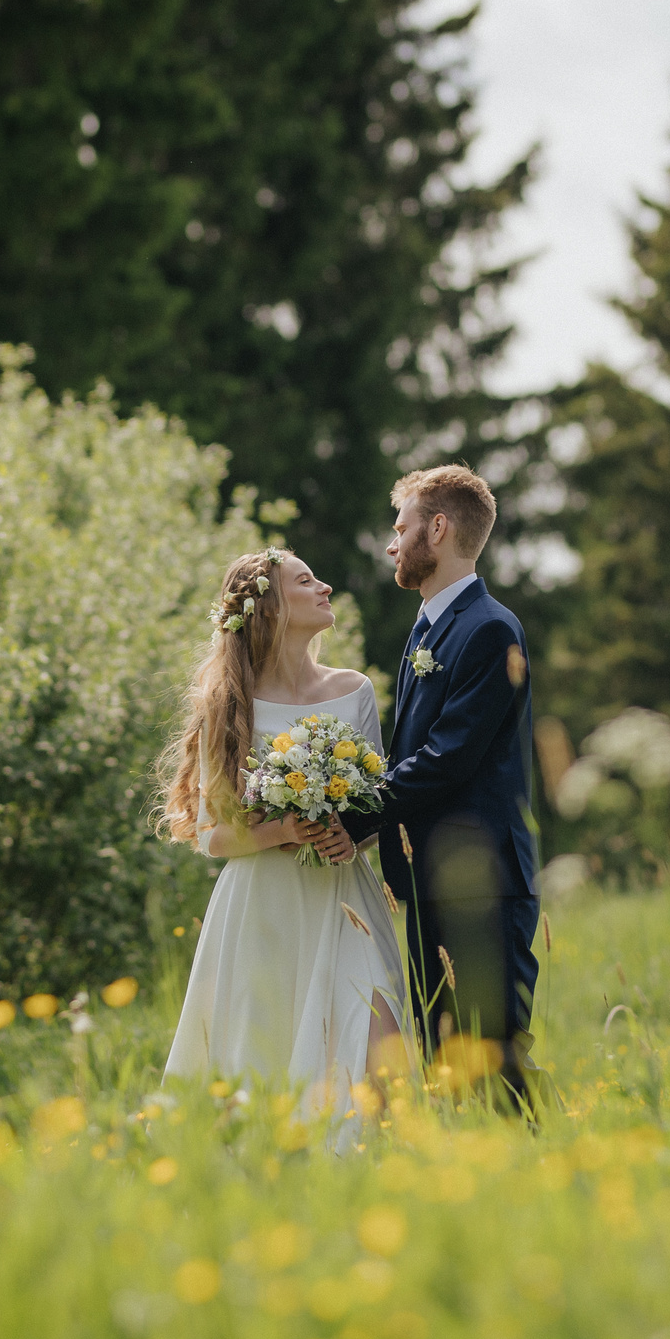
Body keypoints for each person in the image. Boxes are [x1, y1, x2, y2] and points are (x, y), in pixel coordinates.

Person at [155, 547, 409, 1126]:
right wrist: (282, 829)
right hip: (263, 907)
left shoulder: (355, 690)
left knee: (380, 1053)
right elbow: (212, 837)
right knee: (266, 1059)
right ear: (271, 607)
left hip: (345, 901)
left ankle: (381, 1174)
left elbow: (372, 802)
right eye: (306, 580)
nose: (324, 587)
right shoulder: (228, 704)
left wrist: (353, 837)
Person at [334, 466, 541, 1105]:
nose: (392, 545)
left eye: (401, 528)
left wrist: (346, 820)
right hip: (430, 880)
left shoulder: (488, 629)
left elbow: (445, 758)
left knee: (490, 1056)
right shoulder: (427, 628)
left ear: (439, 527)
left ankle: (536, 1179)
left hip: (481, 881)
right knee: (446, 1061)